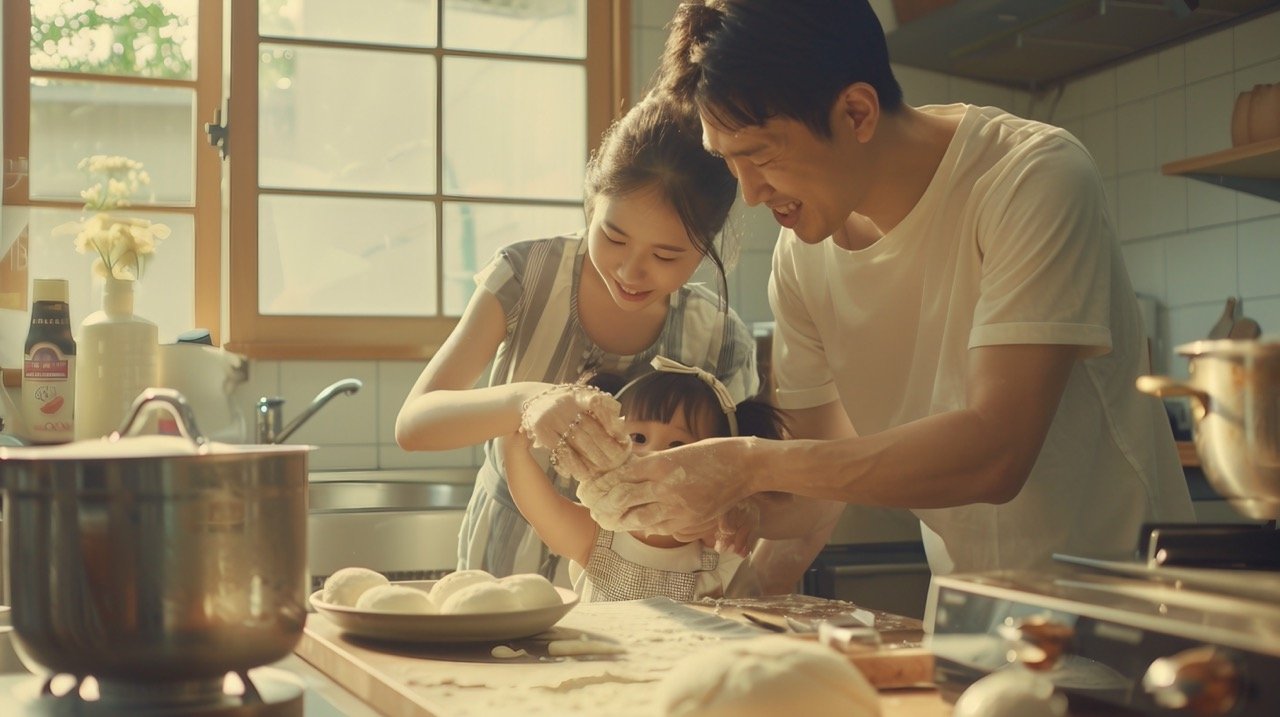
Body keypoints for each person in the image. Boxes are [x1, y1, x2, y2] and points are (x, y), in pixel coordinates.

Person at [540, 0, 1195, 612]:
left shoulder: (1031, 178)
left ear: (856, 113)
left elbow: (997, 451)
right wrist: (738, 530)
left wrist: (743, 465)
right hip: (968, 618)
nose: (750, 192)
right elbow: (813, 486)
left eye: (761, 156)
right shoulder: (802, 258)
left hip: (1126, 617)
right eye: (729, 162)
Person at [395, 94, 760, 583]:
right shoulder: (527, 276)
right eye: (613, 237)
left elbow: (738, 484)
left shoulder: (718, 336)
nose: (632, 271)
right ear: (591, 204)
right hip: (507, 565)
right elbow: (415, 426)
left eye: (668, 255)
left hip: (642, 589)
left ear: (706, 248)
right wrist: (529, 400)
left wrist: (736, 514)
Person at [501, 356, 788, 601]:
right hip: (603, 666)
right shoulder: (597, 537)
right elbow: (540, 508)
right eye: (638, 438)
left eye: (678, 446)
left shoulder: (719, 553)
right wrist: (515, 447)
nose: (653, 454)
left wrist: (732, 517)